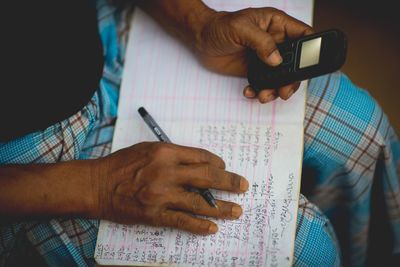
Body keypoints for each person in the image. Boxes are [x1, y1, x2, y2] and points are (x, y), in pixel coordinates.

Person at [0, 0, 398, 266]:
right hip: (29, 164)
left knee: (364, 131)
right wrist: (97, 187)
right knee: (309, 248)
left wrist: (198, 22)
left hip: (100, 30)